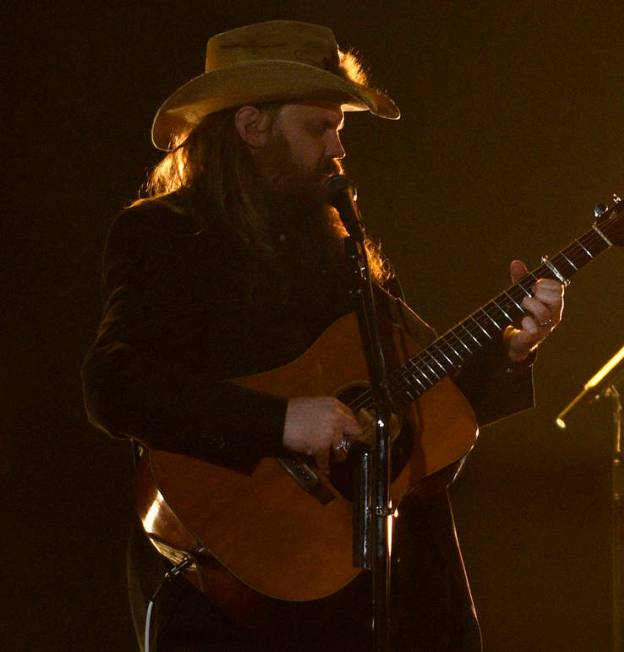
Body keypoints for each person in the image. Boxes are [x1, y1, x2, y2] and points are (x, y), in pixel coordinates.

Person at [82, 20, 564, 651]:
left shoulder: (341, 246)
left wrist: (512, 348)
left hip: (374, 582)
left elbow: (424, 397)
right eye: (320, 128)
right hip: (230, 592)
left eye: (340, 129)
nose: (338, 148)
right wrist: (279, 421)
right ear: (251, 126)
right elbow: (115, 387)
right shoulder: (165, 232)